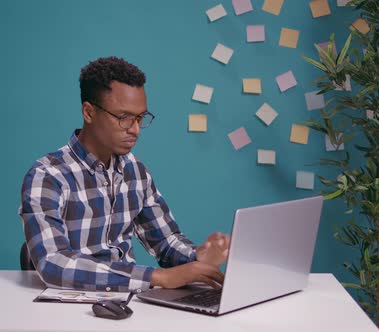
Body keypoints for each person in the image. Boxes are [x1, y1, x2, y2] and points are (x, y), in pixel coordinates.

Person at [19, 56, 230, 293]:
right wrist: (157, 277)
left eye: (140, 118)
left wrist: (196, 255)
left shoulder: (135, 171)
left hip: (127, 301)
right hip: (70, 303)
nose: (135, 129)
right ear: (88, 112)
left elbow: (164, 241)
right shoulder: (48, 176)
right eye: (124, 118)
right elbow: (53, 264)